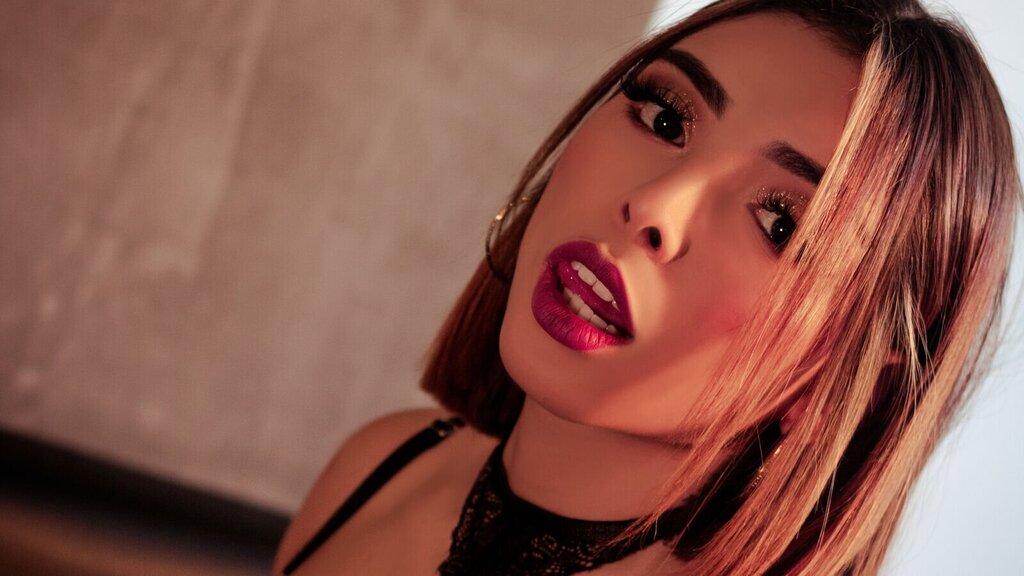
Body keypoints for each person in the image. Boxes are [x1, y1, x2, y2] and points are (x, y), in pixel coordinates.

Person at [274, 0, 1021, 574]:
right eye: (665, 119)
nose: (654, 207)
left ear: (854, 364)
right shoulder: (380, 466)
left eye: (782, 223)